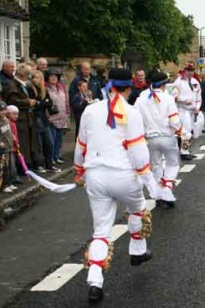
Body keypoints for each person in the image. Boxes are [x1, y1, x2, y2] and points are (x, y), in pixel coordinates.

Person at [74, 68, 160, 302]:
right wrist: (149, 181)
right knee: (138, 208)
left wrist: (79, 169)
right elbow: (138, 150)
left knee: (101, 230)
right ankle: (138, 251)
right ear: (128, 88)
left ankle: (95, 280)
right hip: (124, 175)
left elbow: (81, 143)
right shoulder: (131, 113)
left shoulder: (90, 110)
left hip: (96, 176)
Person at [136, 71, 184, 208]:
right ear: (164, 85)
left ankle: (158, 195)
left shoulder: (141, 98)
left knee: (156, 166)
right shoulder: (168, 98)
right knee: (172, 164)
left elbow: (136, 119)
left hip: (150, 139)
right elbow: (174, 120)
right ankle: (167, 190)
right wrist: (181, 131)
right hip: (167, 137)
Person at [5, 63, 40, 170]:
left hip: (27, 117)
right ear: (24, 75)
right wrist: (27, 102)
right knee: (22, 143)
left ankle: (28, 163)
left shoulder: (23, 85)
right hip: (19, 119)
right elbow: (13, 101)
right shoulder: (13, 85)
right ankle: (22, 165)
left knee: (28, 142)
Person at [31, 70, 59, 173]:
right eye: (33, 77)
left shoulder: (44, 90)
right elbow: (36, 105)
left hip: (43, 119)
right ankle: (39, 165)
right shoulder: (30, 89)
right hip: (35, 119)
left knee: (49, 143)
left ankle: (49, 164)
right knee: (38, 145)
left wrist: (41, 103)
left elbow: (48, 103)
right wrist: (42, 103)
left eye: (37, 77)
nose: (35, 79)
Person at [173, 62, 201, 160]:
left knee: (190, 131)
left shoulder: (195, 82)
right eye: (188, 71)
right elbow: (173, 96)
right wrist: (183, 100)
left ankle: (185, 151)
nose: (190, 73)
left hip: (192, 111)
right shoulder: (178, 82)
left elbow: (198, 96)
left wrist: (197, 106)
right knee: (185, 131)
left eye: (192, 71)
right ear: (184, 71)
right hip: (182, 110)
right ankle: (184, 152)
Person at [46, 68, 69, 164]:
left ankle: (57, 156)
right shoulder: (45, 88)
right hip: (52, 118)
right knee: (52, 140)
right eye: (51, 77)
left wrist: (68, 113)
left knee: (59, 140)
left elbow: (66, 101)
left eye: (56, 77)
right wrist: (48, 117)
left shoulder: (61, 87)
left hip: (62, 117)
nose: (54, 78)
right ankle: (51, 158)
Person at [6, 105, 23, 185]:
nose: (16, 116)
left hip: (14, 146)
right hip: (10, 147)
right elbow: (11, 136)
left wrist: (17, 144)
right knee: (11, 163)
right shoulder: (8, 123)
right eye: (14, 114)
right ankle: (12, 178)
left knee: (13, 162)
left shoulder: (13, 123)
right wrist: (14, 144)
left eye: (17, 114)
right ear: (8, 114)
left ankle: (14, 177)